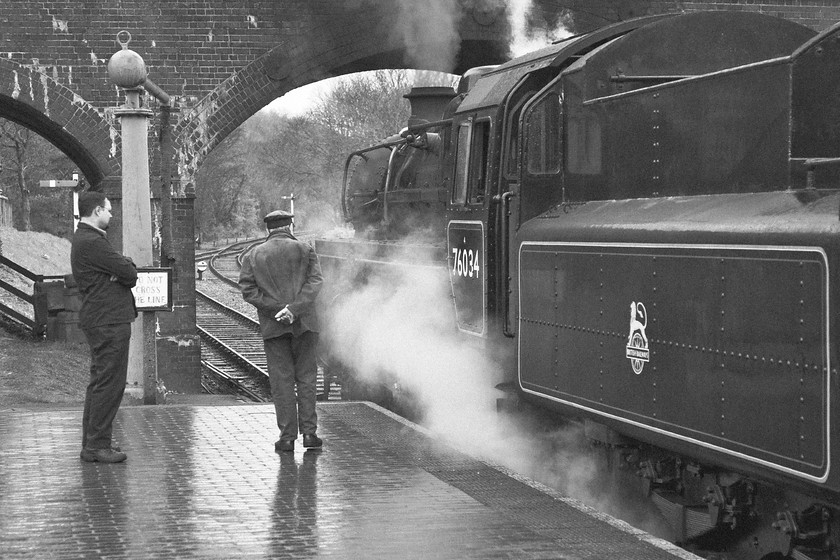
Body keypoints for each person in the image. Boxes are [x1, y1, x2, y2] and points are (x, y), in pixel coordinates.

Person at [239, 210, 324, 453]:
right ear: (290, 226)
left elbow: (248, 290)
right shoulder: (305, 250)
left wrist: (278, 310)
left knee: (282, 382)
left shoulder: (254, 254)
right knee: (307, 379)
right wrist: (294, 310)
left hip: (274, 327)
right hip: (305, 325)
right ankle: (309, 434)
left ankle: (287, 438)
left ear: (268, 229)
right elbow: (316, 283)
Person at [71, 191, 137, 463]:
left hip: (102, 318)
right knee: (109, 384)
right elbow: (130, 272)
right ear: (97, 210)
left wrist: (119, 271)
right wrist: (121, 270)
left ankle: (93, 442)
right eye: (109, 210)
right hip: (108, 320)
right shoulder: (94, 242)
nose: (112, 214)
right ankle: (97, 445)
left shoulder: (87, 240)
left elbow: (123, 272)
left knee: (100, 382)